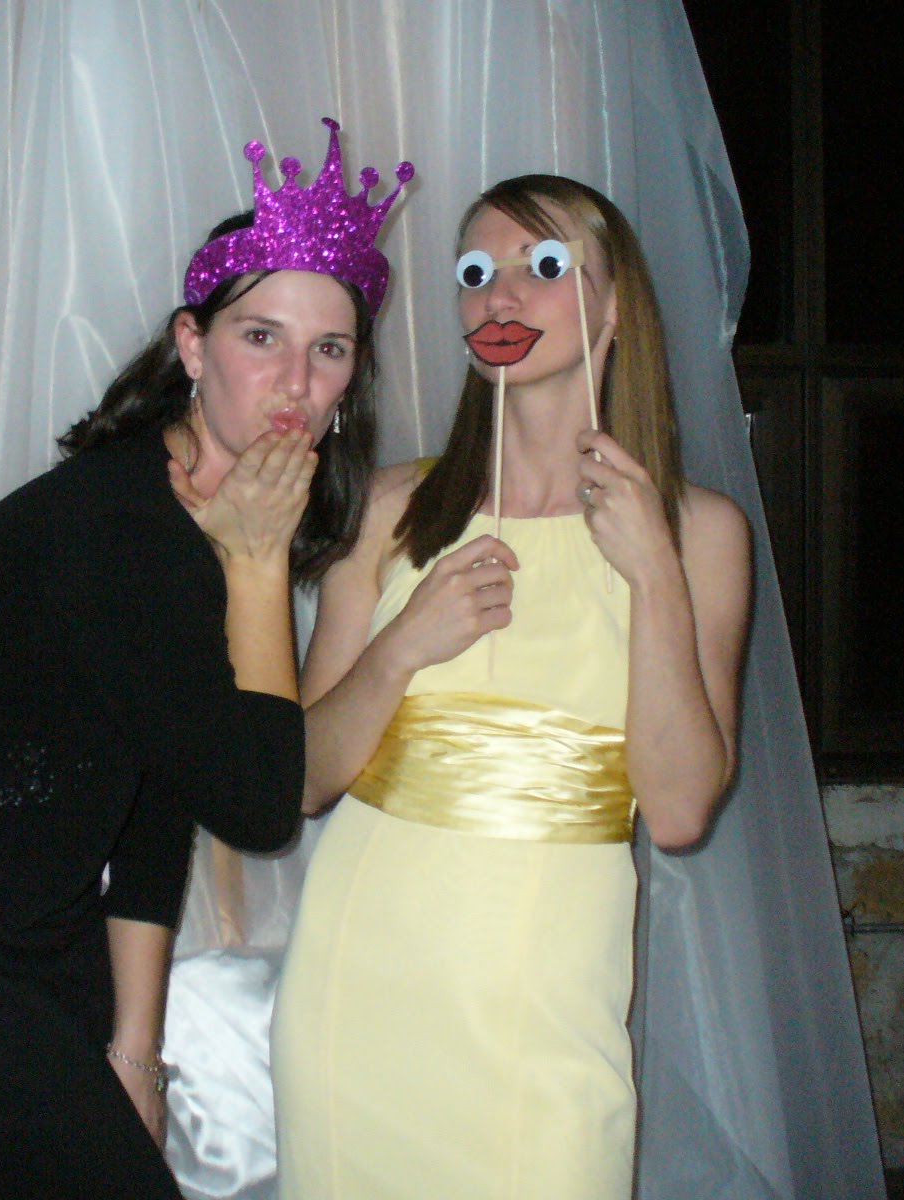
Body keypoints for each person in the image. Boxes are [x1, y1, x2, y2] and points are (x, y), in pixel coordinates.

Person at [0, 119, 410, 1198]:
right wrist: (258, 564)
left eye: (330, 350)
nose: (295, 382)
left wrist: (136, 1054)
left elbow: (153, 806)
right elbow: (260, 803)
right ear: (192, 346)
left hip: (33, 940)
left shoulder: (194, 512)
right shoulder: (127, 530)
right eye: (260, 337)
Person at [270, 174, 752, 1199]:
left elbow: (676, 813)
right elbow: (300, 779)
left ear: (615, 304)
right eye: (475, 271)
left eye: (544, 266)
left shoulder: (698, 534)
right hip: (359, 996)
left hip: (546, 1014)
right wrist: (402, 647)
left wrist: (654, 576)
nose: (499, 295)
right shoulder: (389, 509)